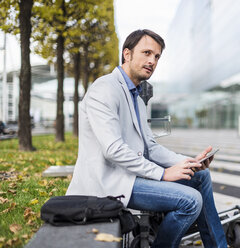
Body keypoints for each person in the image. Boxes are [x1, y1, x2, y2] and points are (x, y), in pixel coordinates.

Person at [66, 29, 227, 248]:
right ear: (127, 54)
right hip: (108, 182)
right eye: (147, 53)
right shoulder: (104, 90)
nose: (152, 60)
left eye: (157, 56)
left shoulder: (137, 96)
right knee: (190, 201)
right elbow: (113, 149)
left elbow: (149, 147)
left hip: (130, 177)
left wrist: (185, 162)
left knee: (201, 175)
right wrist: (162, 173)